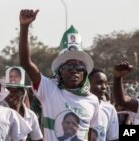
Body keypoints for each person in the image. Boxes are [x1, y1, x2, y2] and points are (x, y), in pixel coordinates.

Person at [19, 9, 100, 140]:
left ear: (84, 73)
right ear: (60, 71)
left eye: (79, 67)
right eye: (68, 66)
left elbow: (92, 134)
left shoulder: (93, 101)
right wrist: (24, 27)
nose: (74, 70)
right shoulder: (49, 90)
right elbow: (26, 63)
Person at [5, 66, 43, 141]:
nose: (13, 95)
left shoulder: (31, 116)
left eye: (17, 91)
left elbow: (38, 139)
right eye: (9, 91)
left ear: (22, 94)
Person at [89, 68, 119, 141]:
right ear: (86, 84)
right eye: (99, 83)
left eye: (105, 83)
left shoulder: (109, 109)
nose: (104, 87)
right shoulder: (75, 106)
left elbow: (113, 138)